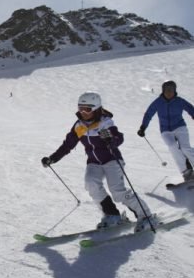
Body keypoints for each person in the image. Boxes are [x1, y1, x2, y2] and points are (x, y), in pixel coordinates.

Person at [41, 91, 154, 232]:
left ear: (96, 109)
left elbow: (118, 138)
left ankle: (146, 216)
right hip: (94, 162)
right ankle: (112, 215)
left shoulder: (104, 123)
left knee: (118, 192)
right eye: (80, 108)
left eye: (87, 109)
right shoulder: (79, 126)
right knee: (91, 184)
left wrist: (111, 140)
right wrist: (53, 158)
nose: (83, 112)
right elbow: (67, 145)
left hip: (112, 160)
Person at [138, 80, 194, 181]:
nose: (169, 92)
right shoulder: (158, 102)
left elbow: (190, 108)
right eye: (167, 90)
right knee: (172, 146)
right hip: (165, 130)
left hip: (180, 126)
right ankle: (186, 171)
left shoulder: (179, 101)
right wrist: (143, 127)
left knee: (185, 148)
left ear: (174, 91)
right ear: (163, 91)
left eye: (171, 90)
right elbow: (149, 114)